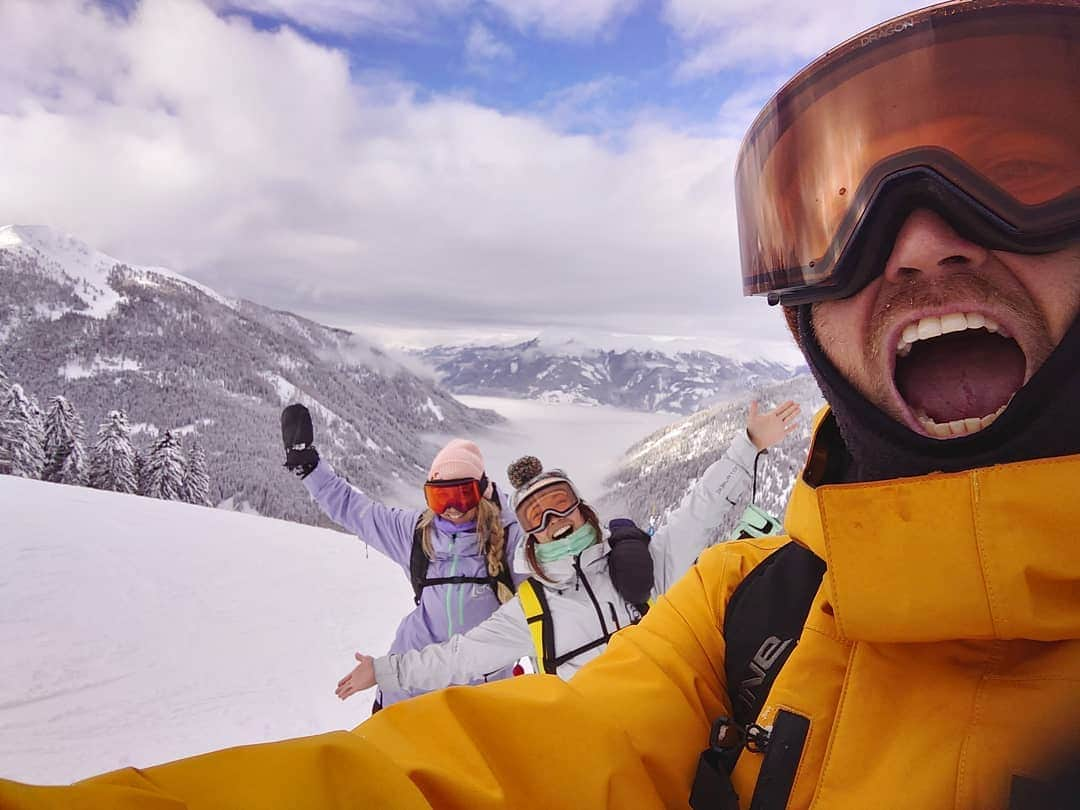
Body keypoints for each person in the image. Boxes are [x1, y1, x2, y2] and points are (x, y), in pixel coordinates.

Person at [1, 2, 1076, 808]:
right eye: (842, 217)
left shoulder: (653, 573)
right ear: (804, 311)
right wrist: (381, 650)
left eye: (1027, 174)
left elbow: (695, 523)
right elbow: (499, 752)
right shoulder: (749, 614)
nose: (924, 245)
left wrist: (742, 453)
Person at [333, 399, 800, 702]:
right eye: (536, 515)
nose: (553, 522)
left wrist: (749, 445)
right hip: (595, 740)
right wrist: (385, 670)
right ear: (528, 533)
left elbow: (697, 511)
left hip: (669, 716)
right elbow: (459, 656)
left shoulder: (636, 569)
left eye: (559, 504)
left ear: (582, 509)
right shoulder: (533, 609)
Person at [280, 403, 526, 708]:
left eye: (461, 496)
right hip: (407, 696)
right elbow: (354, 509)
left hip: (481, 703)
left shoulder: (512, 541)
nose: (451, 507)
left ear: (483, 491)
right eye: (440, 497)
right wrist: (309, 468)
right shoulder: (416, 534)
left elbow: (551, 598)